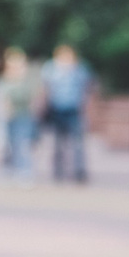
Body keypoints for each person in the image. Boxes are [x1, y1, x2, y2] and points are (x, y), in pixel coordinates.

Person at [40, 43, 93, 183]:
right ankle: (58, 171)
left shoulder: (79, 69)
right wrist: (42, 107)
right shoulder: (50, 68)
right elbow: (45, 89)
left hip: (74, 110)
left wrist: (87, 106)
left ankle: (79, 171)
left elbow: (88, 87)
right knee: (58, 143)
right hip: (56, 109)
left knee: (77, 143)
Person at [0, 48, 38, 181]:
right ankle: (7, 169)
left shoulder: (26, 81)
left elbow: (33, 98)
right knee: (6, 146)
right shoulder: (0, 82)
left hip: (23, 117)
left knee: (22, 145)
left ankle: (24, 171)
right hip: (5, 118)